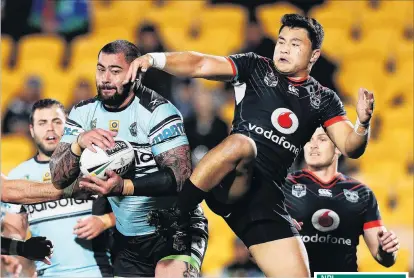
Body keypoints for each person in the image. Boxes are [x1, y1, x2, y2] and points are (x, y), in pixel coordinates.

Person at [122, 14, 375, 277]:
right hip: (232, 179)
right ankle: (177, 216)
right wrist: (153, 59)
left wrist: (363, 123)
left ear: (314, 55)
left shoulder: (323, 99)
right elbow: (199, 64)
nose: (284, 48)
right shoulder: (255, 67)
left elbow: (350, 146)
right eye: (281, 41)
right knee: (244, 144)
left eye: (295, 44)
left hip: (266, 198)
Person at [49, 40, 208, 277]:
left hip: (175, 230)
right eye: (101, 69)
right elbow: (58, 178)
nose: (105, 78)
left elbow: (180, 177)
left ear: (135, 74)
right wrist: (78, 143)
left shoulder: (158, 112)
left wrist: (124, 187)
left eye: (115, 71)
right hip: (128, 239)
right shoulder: (83, 113)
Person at [1, 99, 113, 277]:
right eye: (42, 123)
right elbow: (14, 228)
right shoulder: (18, 174)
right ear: (31, 130)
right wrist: (18, 251)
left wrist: (105, 221)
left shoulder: (95, 164)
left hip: (97, 271)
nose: (50, 129)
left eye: (57, 122)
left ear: (69, 127)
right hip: (49, 273)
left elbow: (133, 209)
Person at [283, 127, 400, 274]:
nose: (313, 145)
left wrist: (387, 249)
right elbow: (256, 252)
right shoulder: (283, 187)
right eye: (308, 140)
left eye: (322, 139)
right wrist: (278, 234)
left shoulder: (361, 192)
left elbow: (385, 258)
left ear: (338, 147)